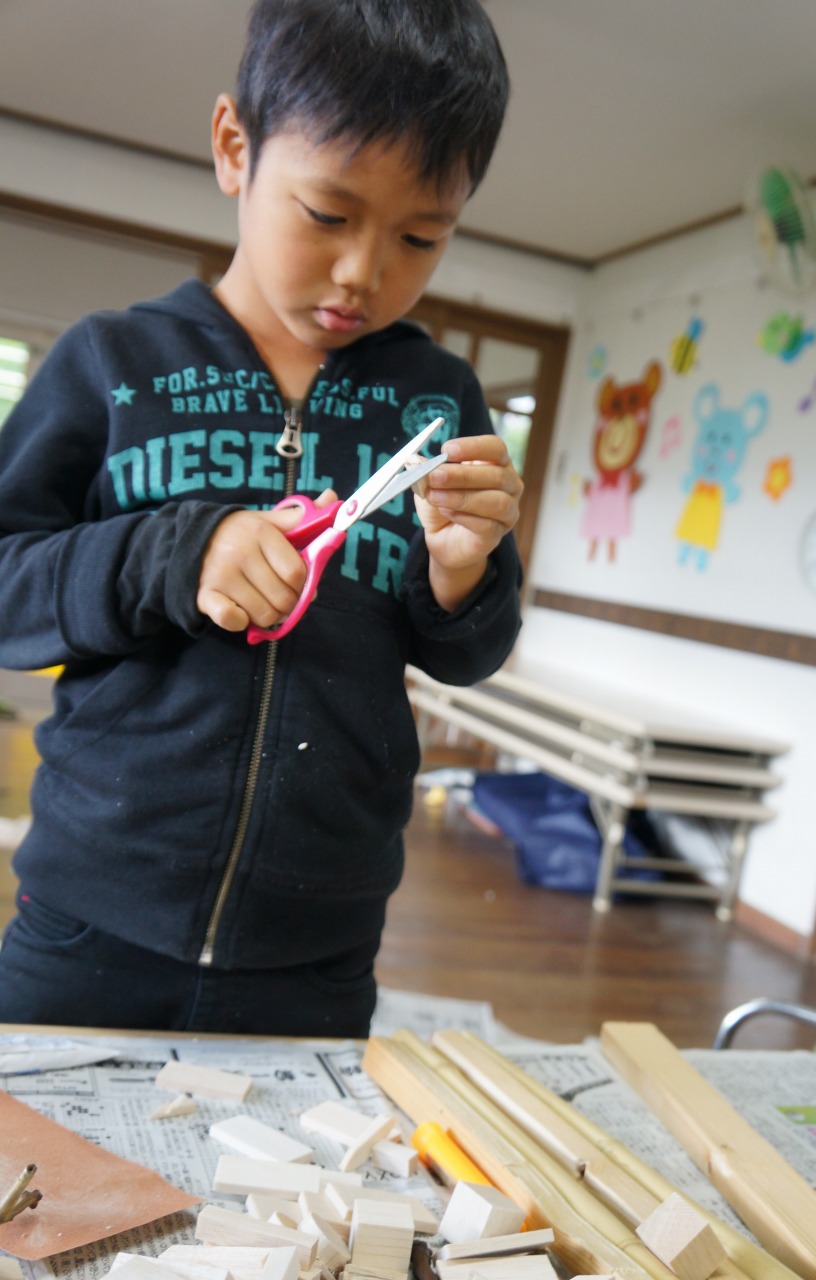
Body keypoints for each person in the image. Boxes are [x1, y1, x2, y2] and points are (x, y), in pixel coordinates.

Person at [0, 0, 523, 1036]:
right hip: (89, 914)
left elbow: (471, 651)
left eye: (421, 236)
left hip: (319, 941)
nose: (363, 272)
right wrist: (176, 551)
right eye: (328, 214)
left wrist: (463, 572)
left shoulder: (436, 399)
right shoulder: (112, 362)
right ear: (235, 147)